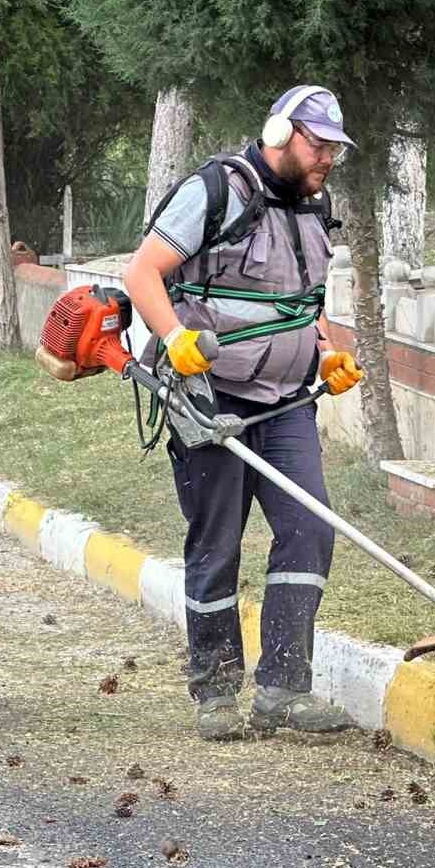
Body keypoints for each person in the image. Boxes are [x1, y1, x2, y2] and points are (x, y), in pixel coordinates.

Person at [122, 85, 366, 741]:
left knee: (309, 528)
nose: (327, 162)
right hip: (210, 400)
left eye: (335, 151)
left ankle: (284, 688)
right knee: (216, 543)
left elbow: (297, 302)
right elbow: (142, 273)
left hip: (286, 403)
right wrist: (174, 336)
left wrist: (326, 349)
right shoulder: (215, 191)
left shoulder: (315, 205)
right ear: (280, 131)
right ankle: (216, 689)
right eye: (319, 147)